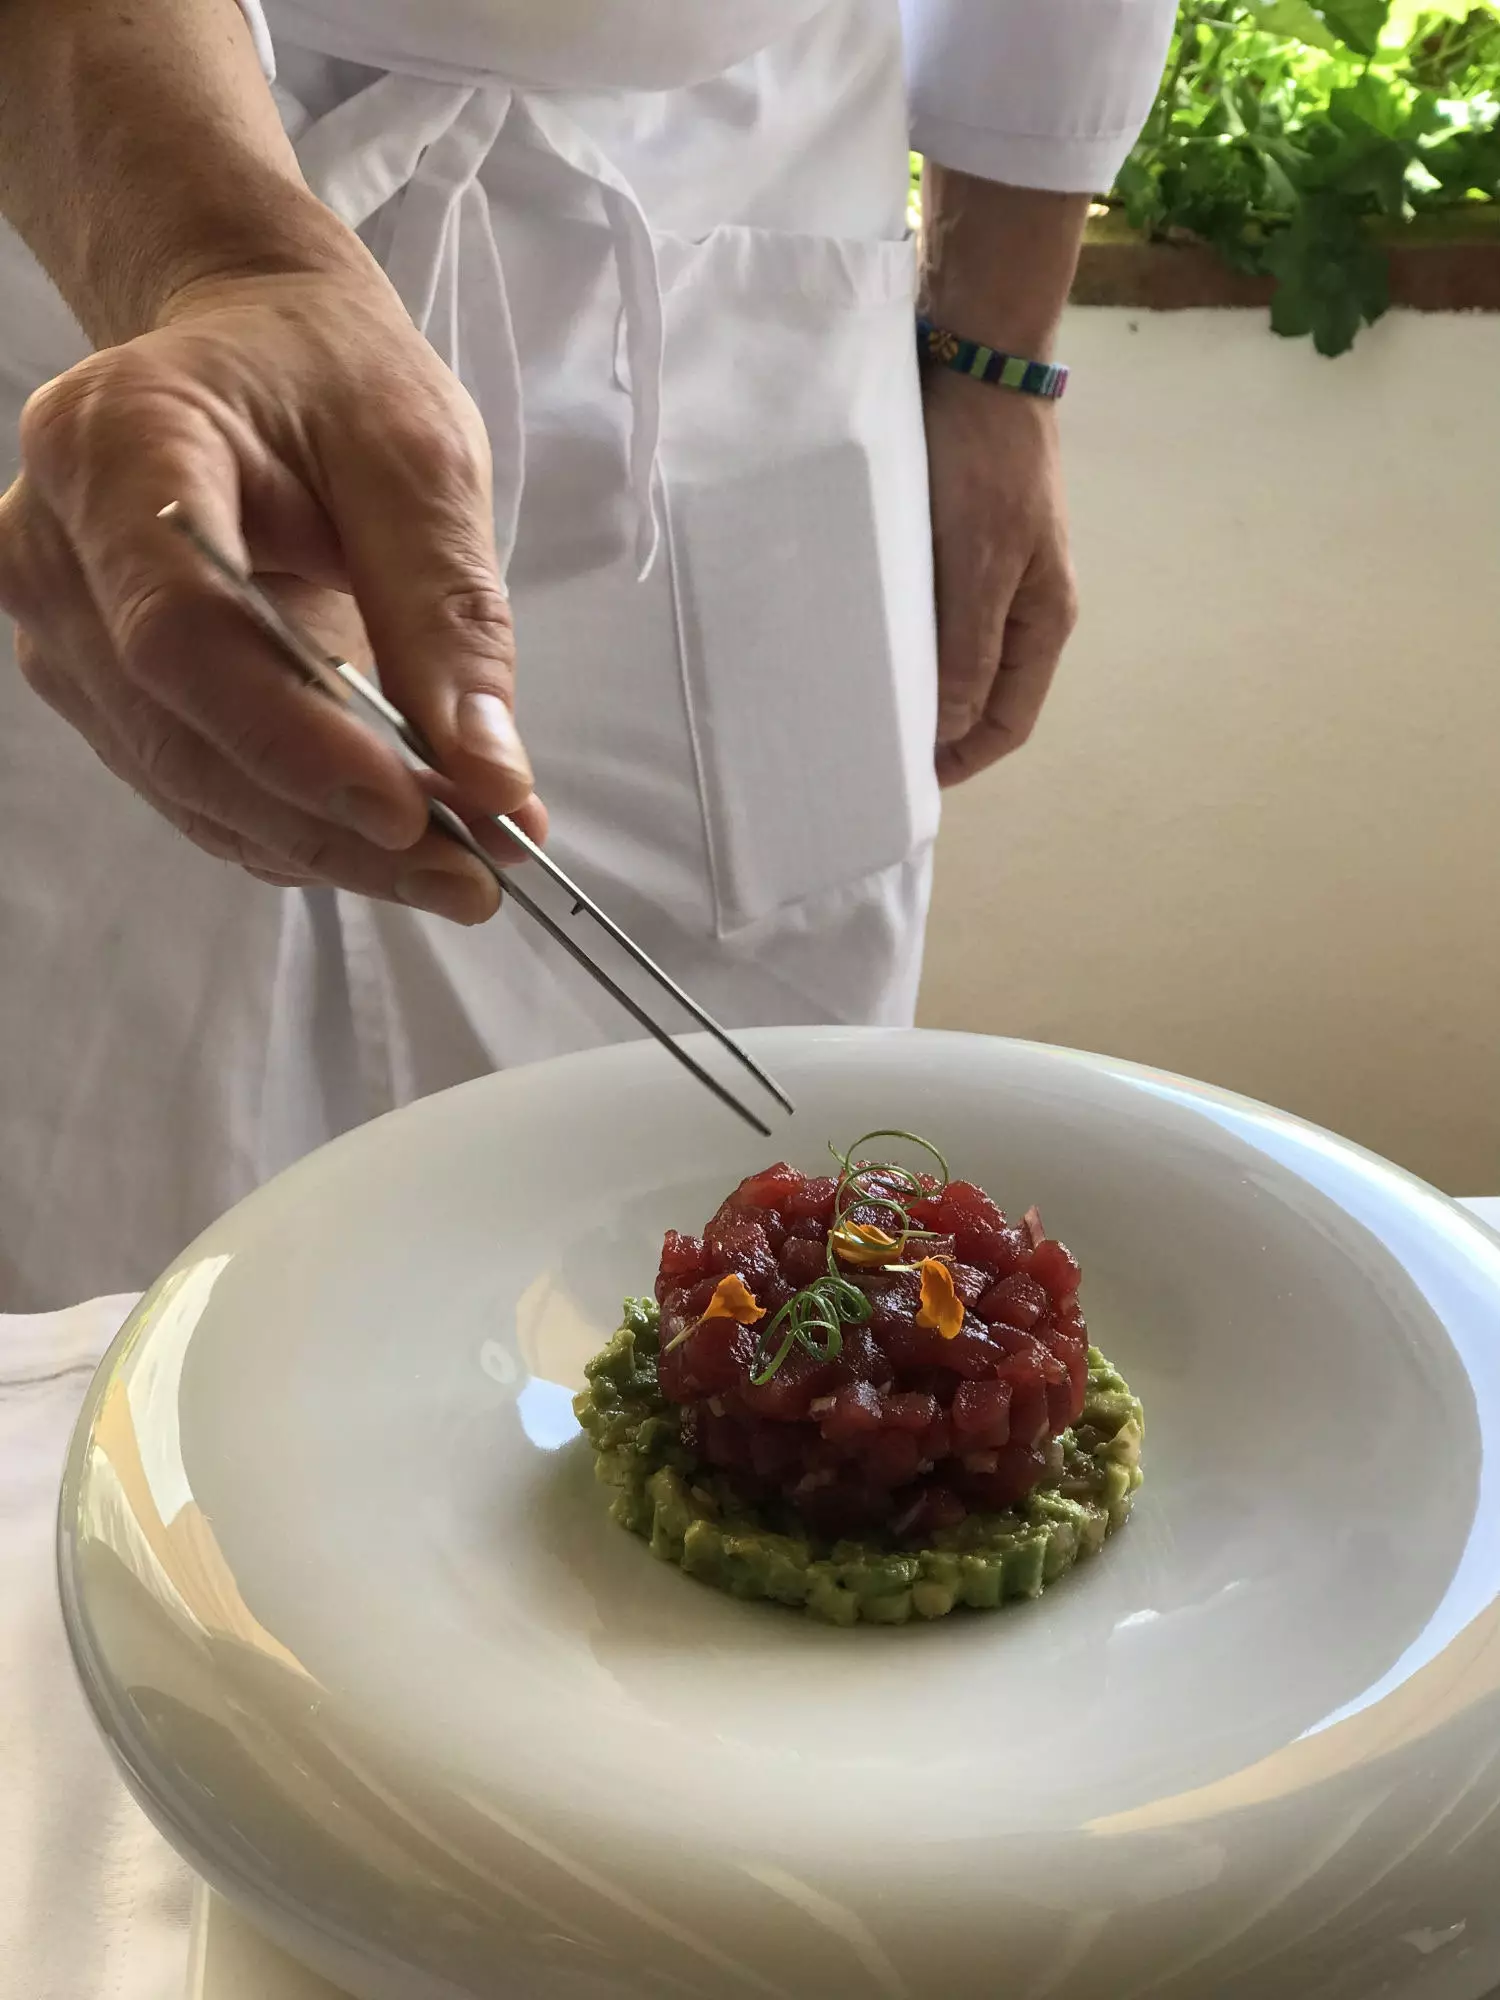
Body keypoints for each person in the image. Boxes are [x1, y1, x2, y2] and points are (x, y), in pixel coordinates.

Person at [0, 0, 1175, 1309]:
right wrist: (214, 257)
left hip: (747, 265)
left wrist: (997, 350)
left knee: (784, 1259)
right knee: (127, 1287)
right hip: (118, 211)